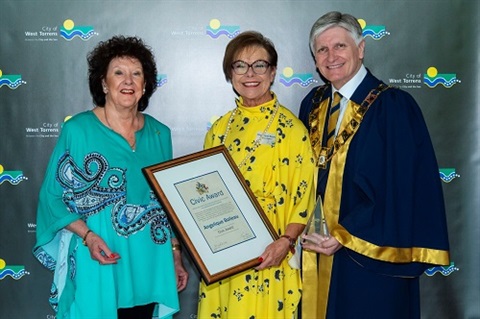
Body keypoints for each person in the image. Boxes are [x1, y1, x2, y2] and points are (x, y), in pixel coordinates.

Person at [298, 11, 450, 319]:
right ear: (314, 58)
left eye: (340, 46)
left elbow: (400, 189)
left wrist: (343, 234)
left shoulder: (392, 107)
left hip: (367, 258)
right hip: (314, 251)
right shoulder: (312, 105)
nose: (331, 56)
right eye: (322, 50)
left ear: (361, 48)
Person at [33, 35, 188, 319]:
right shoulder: (78, 130)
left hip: (149, 263)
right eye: (119, 73)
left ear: (145, 85)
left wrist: (175, 255)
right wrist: (88, 236)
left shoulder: (159, 134)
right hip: (99, 258)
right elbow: (53, 197)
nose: (128, 81)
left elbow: (168, 206)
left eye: (136, 74)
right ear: (104, 83)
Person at [197, 31, 316, 319]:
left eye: (259, 65)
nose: (250, 74)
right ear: (230, 73)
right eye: (240, 65)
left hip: (269, 253)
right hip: (221, 256)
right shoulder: (219, 129)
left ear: (273, 72)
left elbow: (303, 197)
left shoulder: (292, 130)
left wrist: (285, 243)